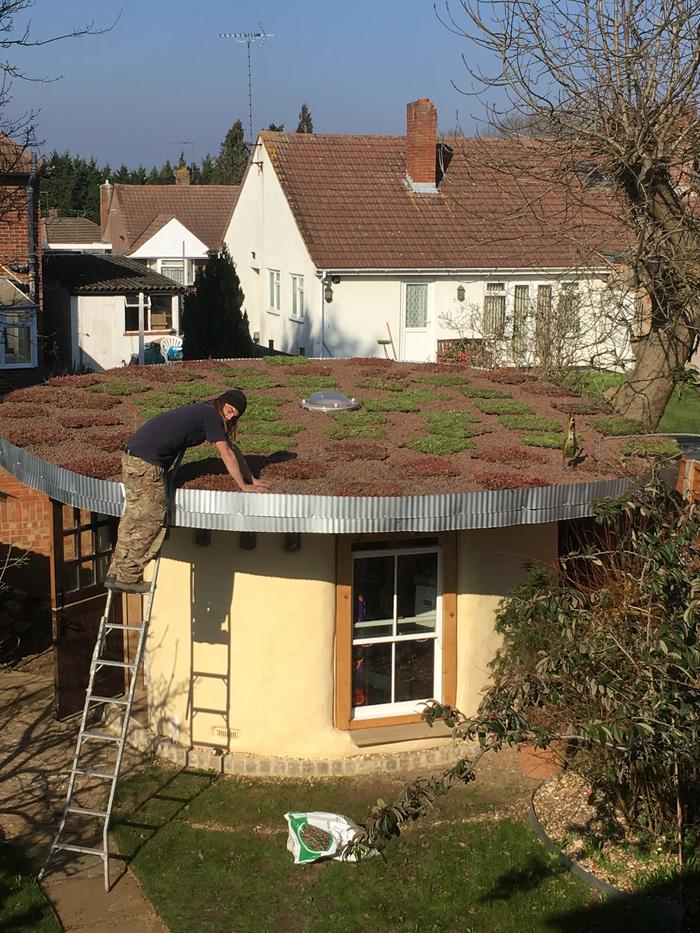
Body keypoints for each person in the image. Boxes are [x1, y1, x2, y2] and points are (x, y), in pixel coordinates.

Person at [105, 389, 267, 594]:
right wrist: (244, 487)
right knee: (150, 520)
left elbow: (232, 449)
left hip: (134, 456)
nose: (232, 415)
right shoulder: (211, 415)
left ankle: (115, 573)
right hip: (147, 464)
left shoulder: (205, 411)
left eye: (236, 413)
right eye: (230, 409)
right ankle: (127, 576)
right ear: (222, 402)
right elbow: (225, 453)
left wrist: (251, 478)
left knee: (133, 517)